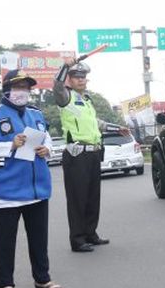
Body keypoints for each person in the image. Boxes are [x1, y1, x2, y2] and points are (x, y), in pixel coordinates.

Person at [0, 70, 62, 288]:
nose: (22, 91)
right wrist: (10, 145)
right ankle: (6, 285)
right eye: (17, 86)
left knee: (39, 238)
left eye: (26, 87)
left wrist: (48, 150)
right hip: (7, 191)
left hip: (37, 188)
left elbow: (48, 140)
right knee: (5, 241)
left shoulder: (37, 114)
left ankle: (42, 278)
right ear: (6, 89)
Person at [53, 59, 130, 252]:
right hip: (77, 154)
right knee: (77, 198)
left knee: (92, 197)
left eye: (83, 77)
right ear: (69, 79)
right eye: (76, 77)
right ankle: (77, 239)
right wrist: (64, 67)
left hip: (94, 153)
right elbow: (56, 85)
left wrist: (116, 128)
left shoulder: (86, 100)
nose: (81, 80)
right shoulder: (65, 97)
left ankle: (90, 233)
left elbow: (96, 123)